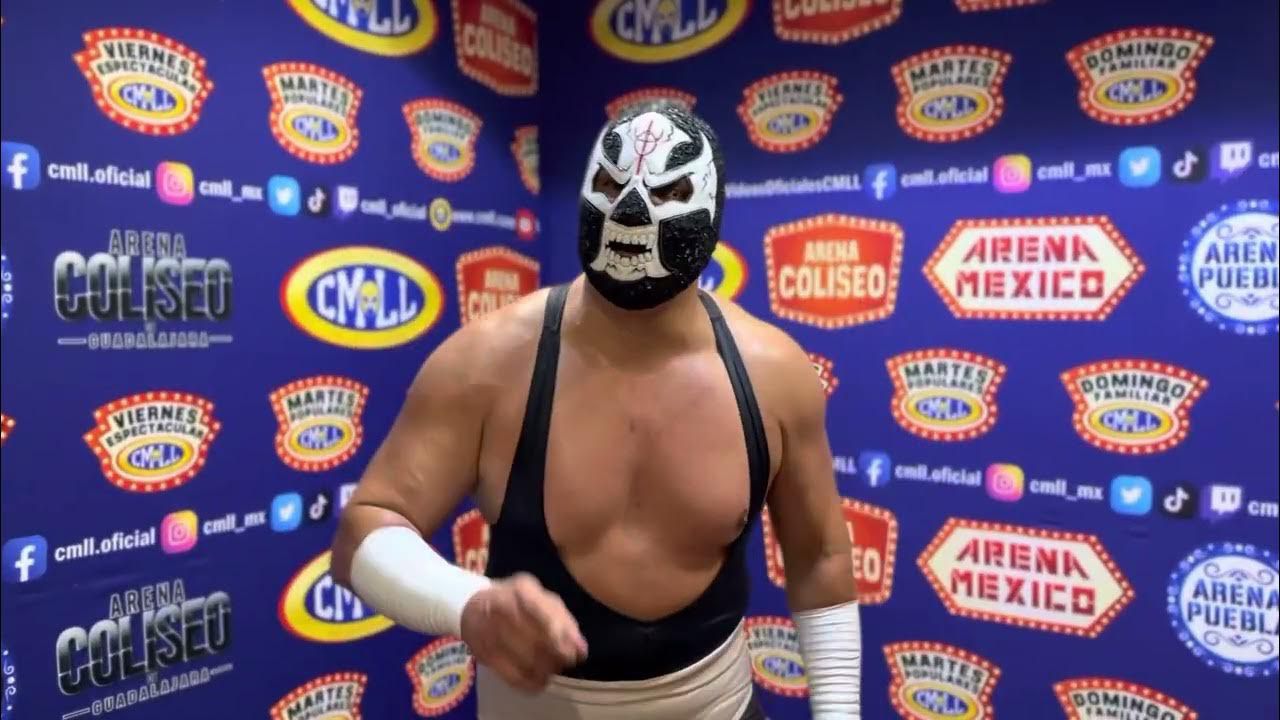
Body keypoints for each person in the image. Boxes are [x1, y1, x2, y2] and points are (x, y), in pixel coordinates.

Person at [330, 105, 862, 720]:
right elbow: (362, 533)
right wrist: (465, 602)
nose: (630, 210)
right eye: (611, 183)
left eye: (667, 192)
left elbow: (820, 557)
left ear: (711, 213)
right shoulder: (488, 362)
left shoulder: (772, 372)